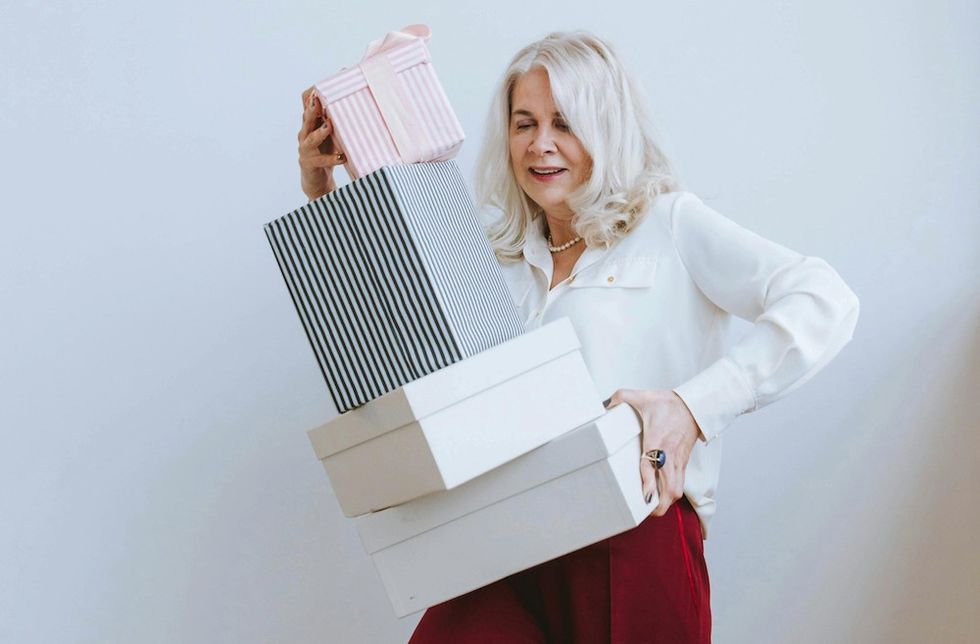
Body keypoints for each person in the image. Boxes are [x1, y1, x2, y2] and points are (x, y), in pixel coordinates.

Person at [297, 31, 859, 644]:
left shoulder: (669, 225)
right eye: (524, 123)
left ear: (607, 128)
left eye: (564, 122)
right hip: (498, 547)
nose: (541, 144)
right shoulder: (494, 261)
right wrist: (326, 193)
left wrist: (692, 407)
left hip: (633, 536)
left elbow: (824, 299)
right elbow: (395, 356)